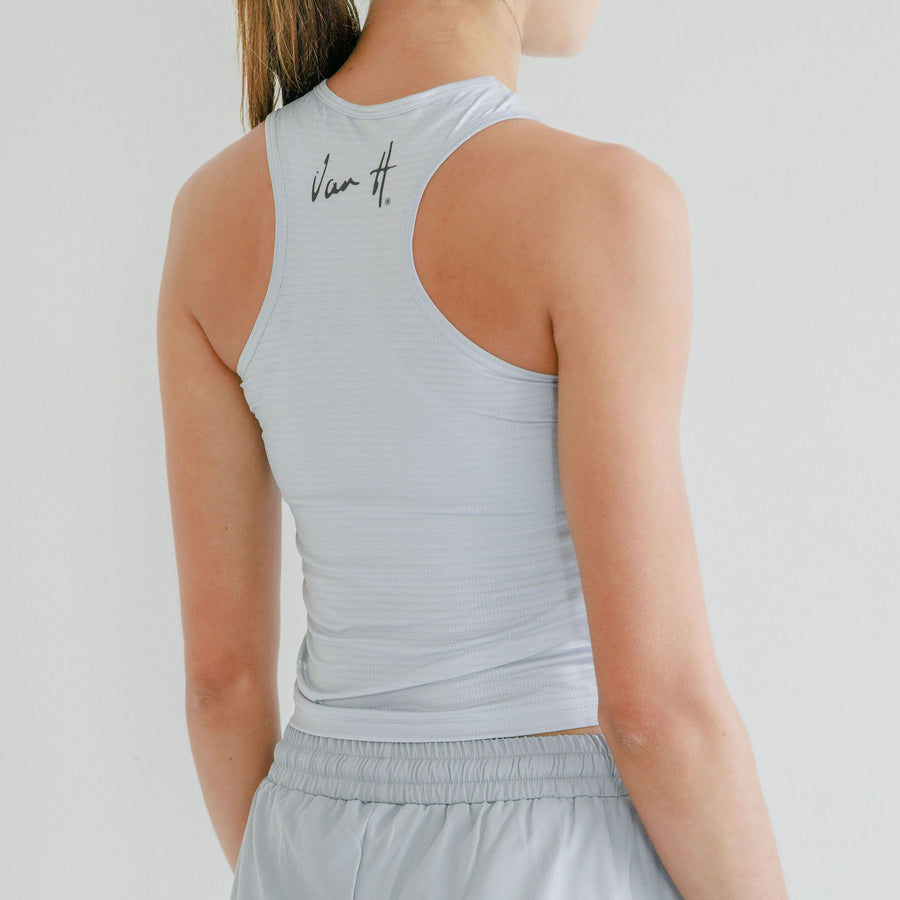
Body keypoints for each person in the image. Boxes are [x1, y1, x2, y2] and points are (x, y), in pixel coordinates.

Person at [156, 0, 790, 896]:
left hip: (306, 840)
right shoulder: (600, 205)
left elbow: (220, 689)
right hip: (549, 853)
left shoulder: (210, 213)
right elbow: (657, 714)